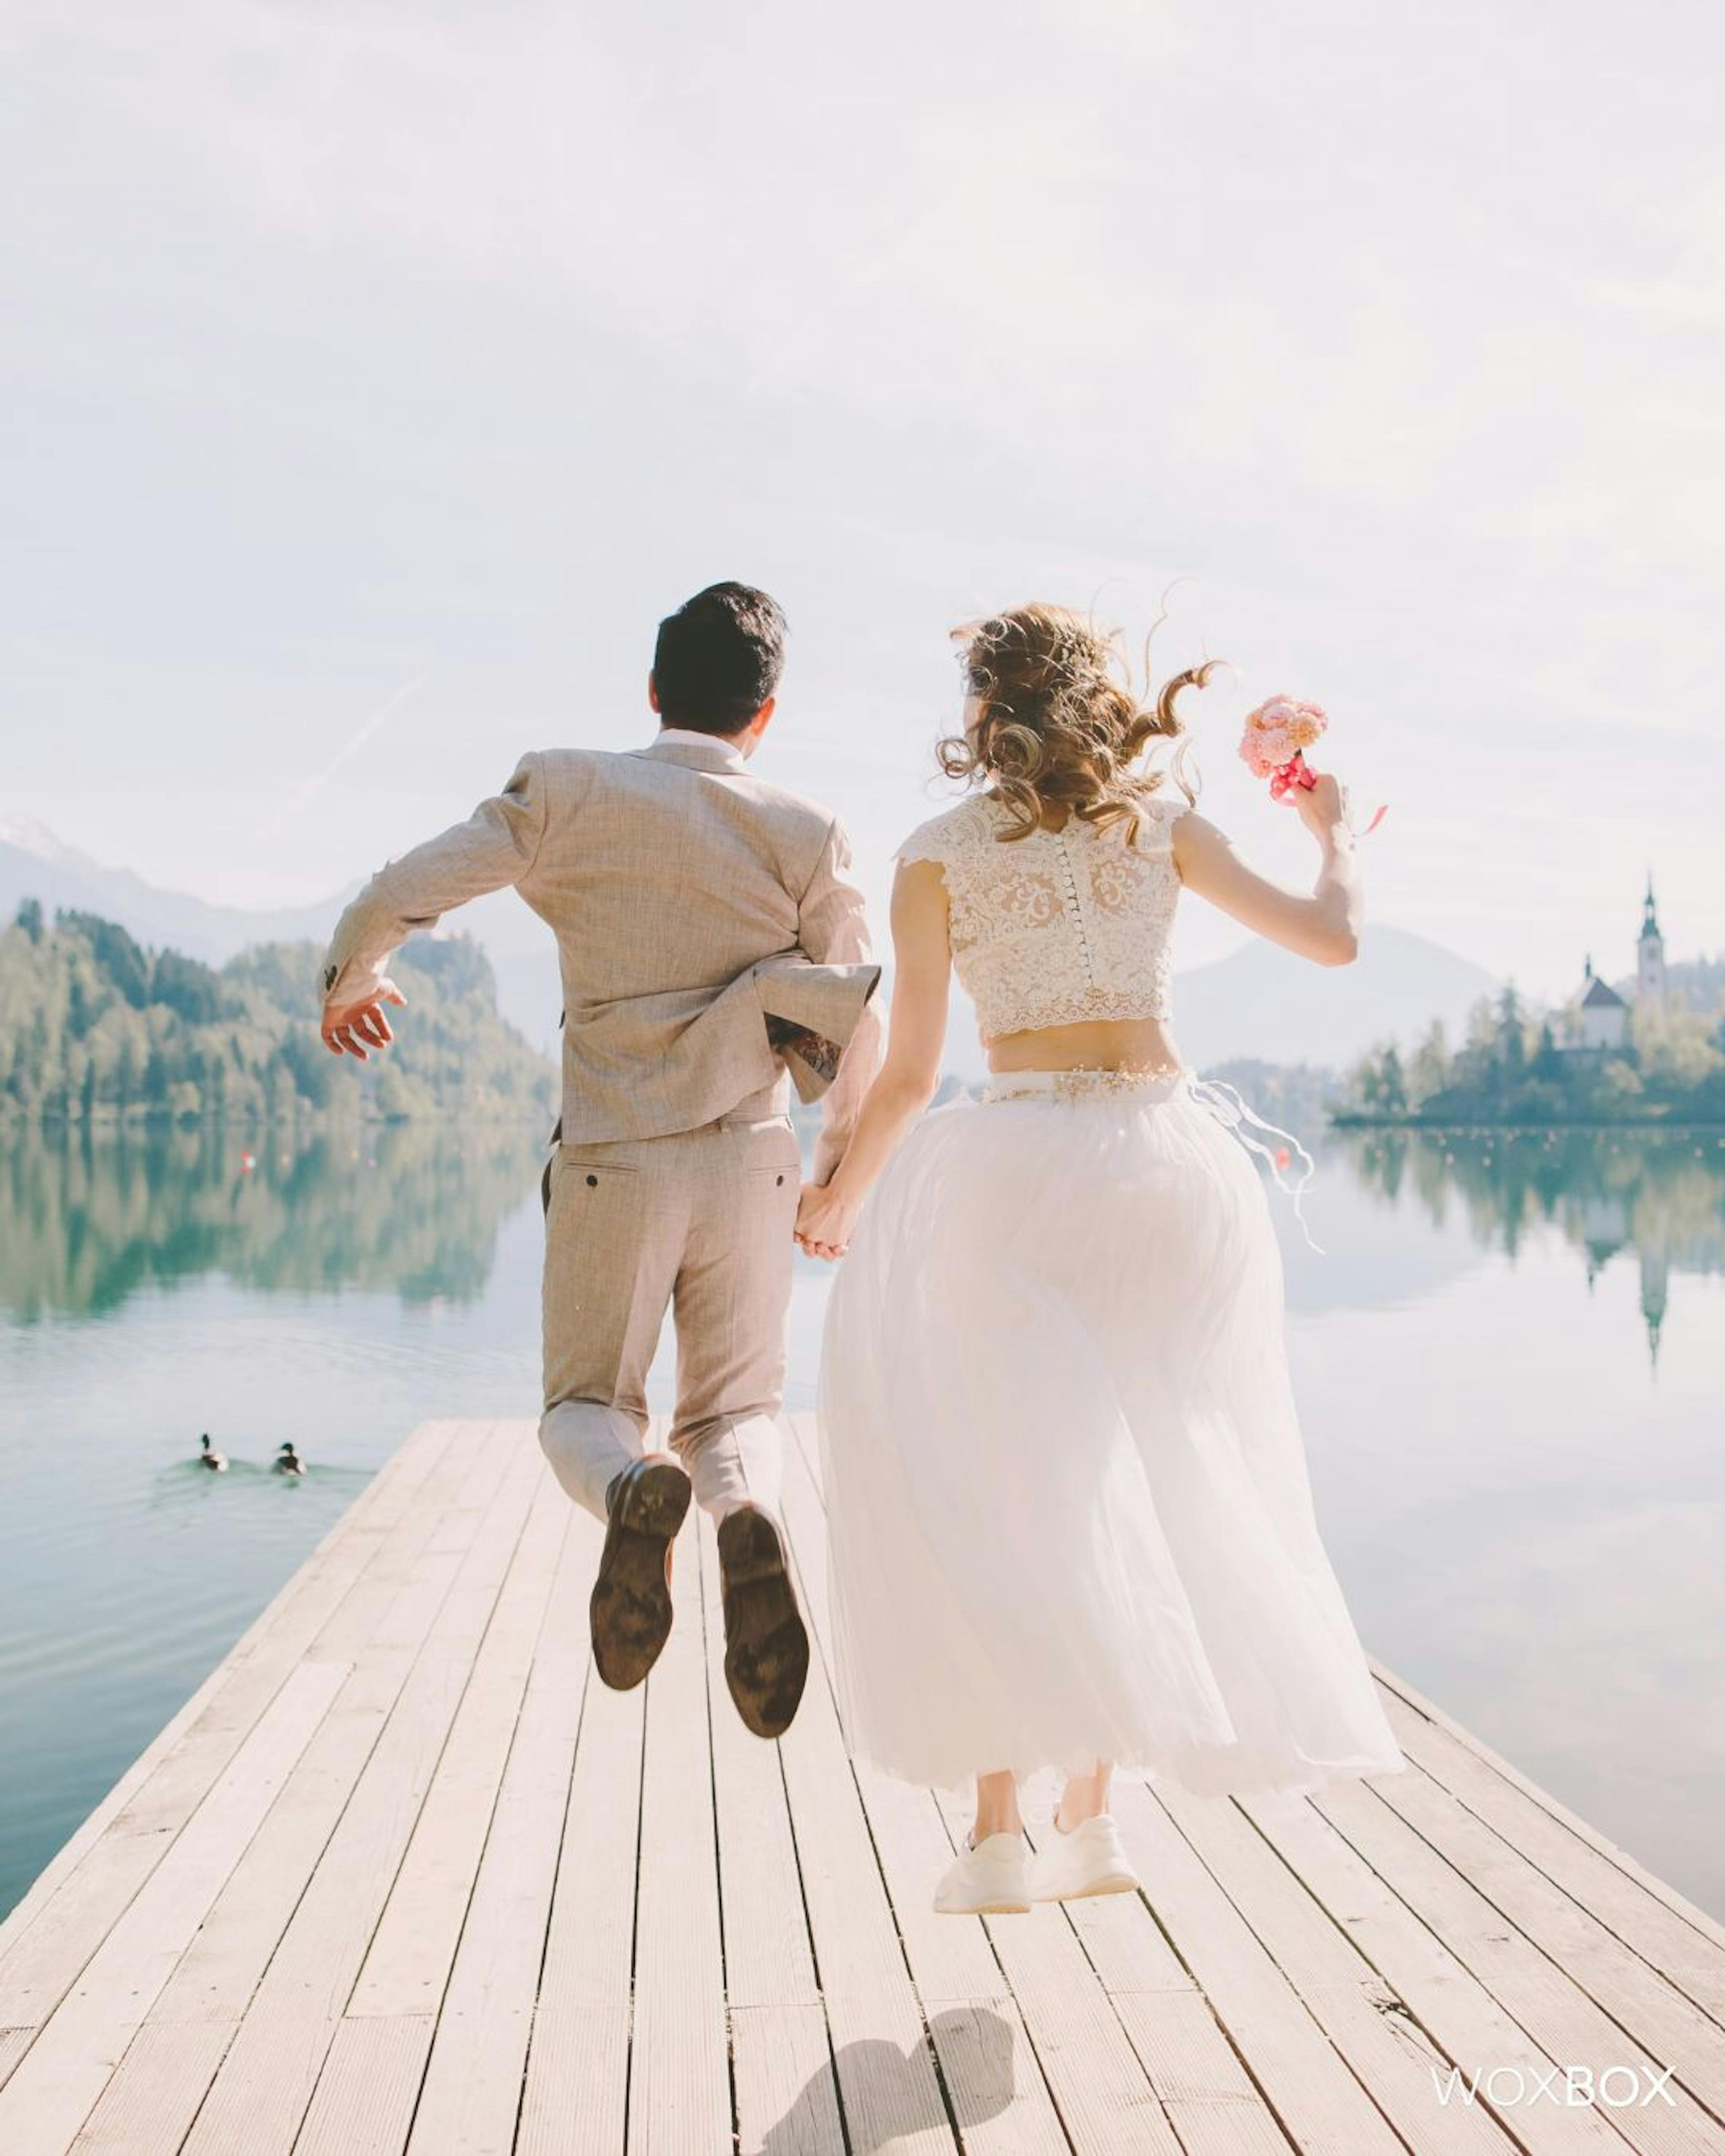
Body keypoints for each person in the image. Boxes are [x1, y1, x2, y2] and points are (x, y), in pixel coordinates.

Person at [796, 603, 1405, 1915]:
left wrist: (842, 1192)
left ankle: (1003, 1825)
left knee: (1001, 1484)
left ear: (982, 716)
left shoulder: (935, 856)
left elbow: (905, 1080)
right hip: (1171, 1177)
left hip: (1018, 1175)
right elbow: (1334, 937)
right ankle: (1095, 1814)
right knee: (1141, 1465)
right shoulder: (1161, 825)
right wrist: (1335, 831)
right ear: (1096, 706)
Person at [318, 582, 883, 1739]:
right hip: (752, 1158)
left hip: (611, 1161)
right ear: (764, 715)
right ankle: (746, 1512)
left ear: (653, 691)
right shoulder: (806, 831)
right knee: (736, 1412)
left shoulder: (571, 789)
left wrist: (354, 976)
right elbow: (862, 1011)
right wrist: (836, 1173)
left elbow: (401, 887)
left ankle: (633, 1491)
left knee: (585, 1405)